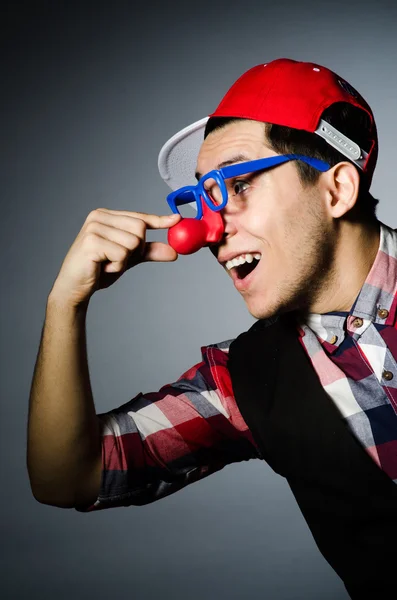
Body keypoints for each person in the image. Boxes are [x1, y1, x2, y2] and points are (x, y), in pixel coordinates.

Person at [27, 58, 397, 599]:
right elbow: (69, 476)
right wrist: (66, 303)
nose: (207, 228)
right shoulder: (244, 383)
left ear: (336, 189)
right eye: (203, 197)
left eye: (239, 184)